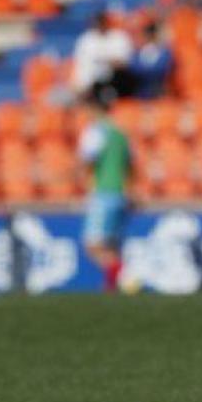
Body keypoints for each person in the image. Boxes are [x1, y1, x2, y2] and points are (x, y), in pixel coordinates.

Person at [78, 90, 131, 292]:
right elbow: (130, 164)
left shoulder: (96, 132)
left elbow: (88, 159)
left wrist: (72, 176)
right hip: (120, 193)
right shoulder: (120, 133)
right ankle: (112, 286)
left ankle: (124, 274)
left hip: (103, 193)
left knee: (93, 244)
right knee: (111, 244)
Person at [70, 10, 133, 101]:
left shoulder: (119, 37)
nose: (99, 26)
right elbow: (80, 65)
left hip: (114, 82)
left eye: (101, 22)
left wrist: (106, 61)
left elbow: (124, 63)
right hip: (89, 84)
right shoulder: (86, 40)